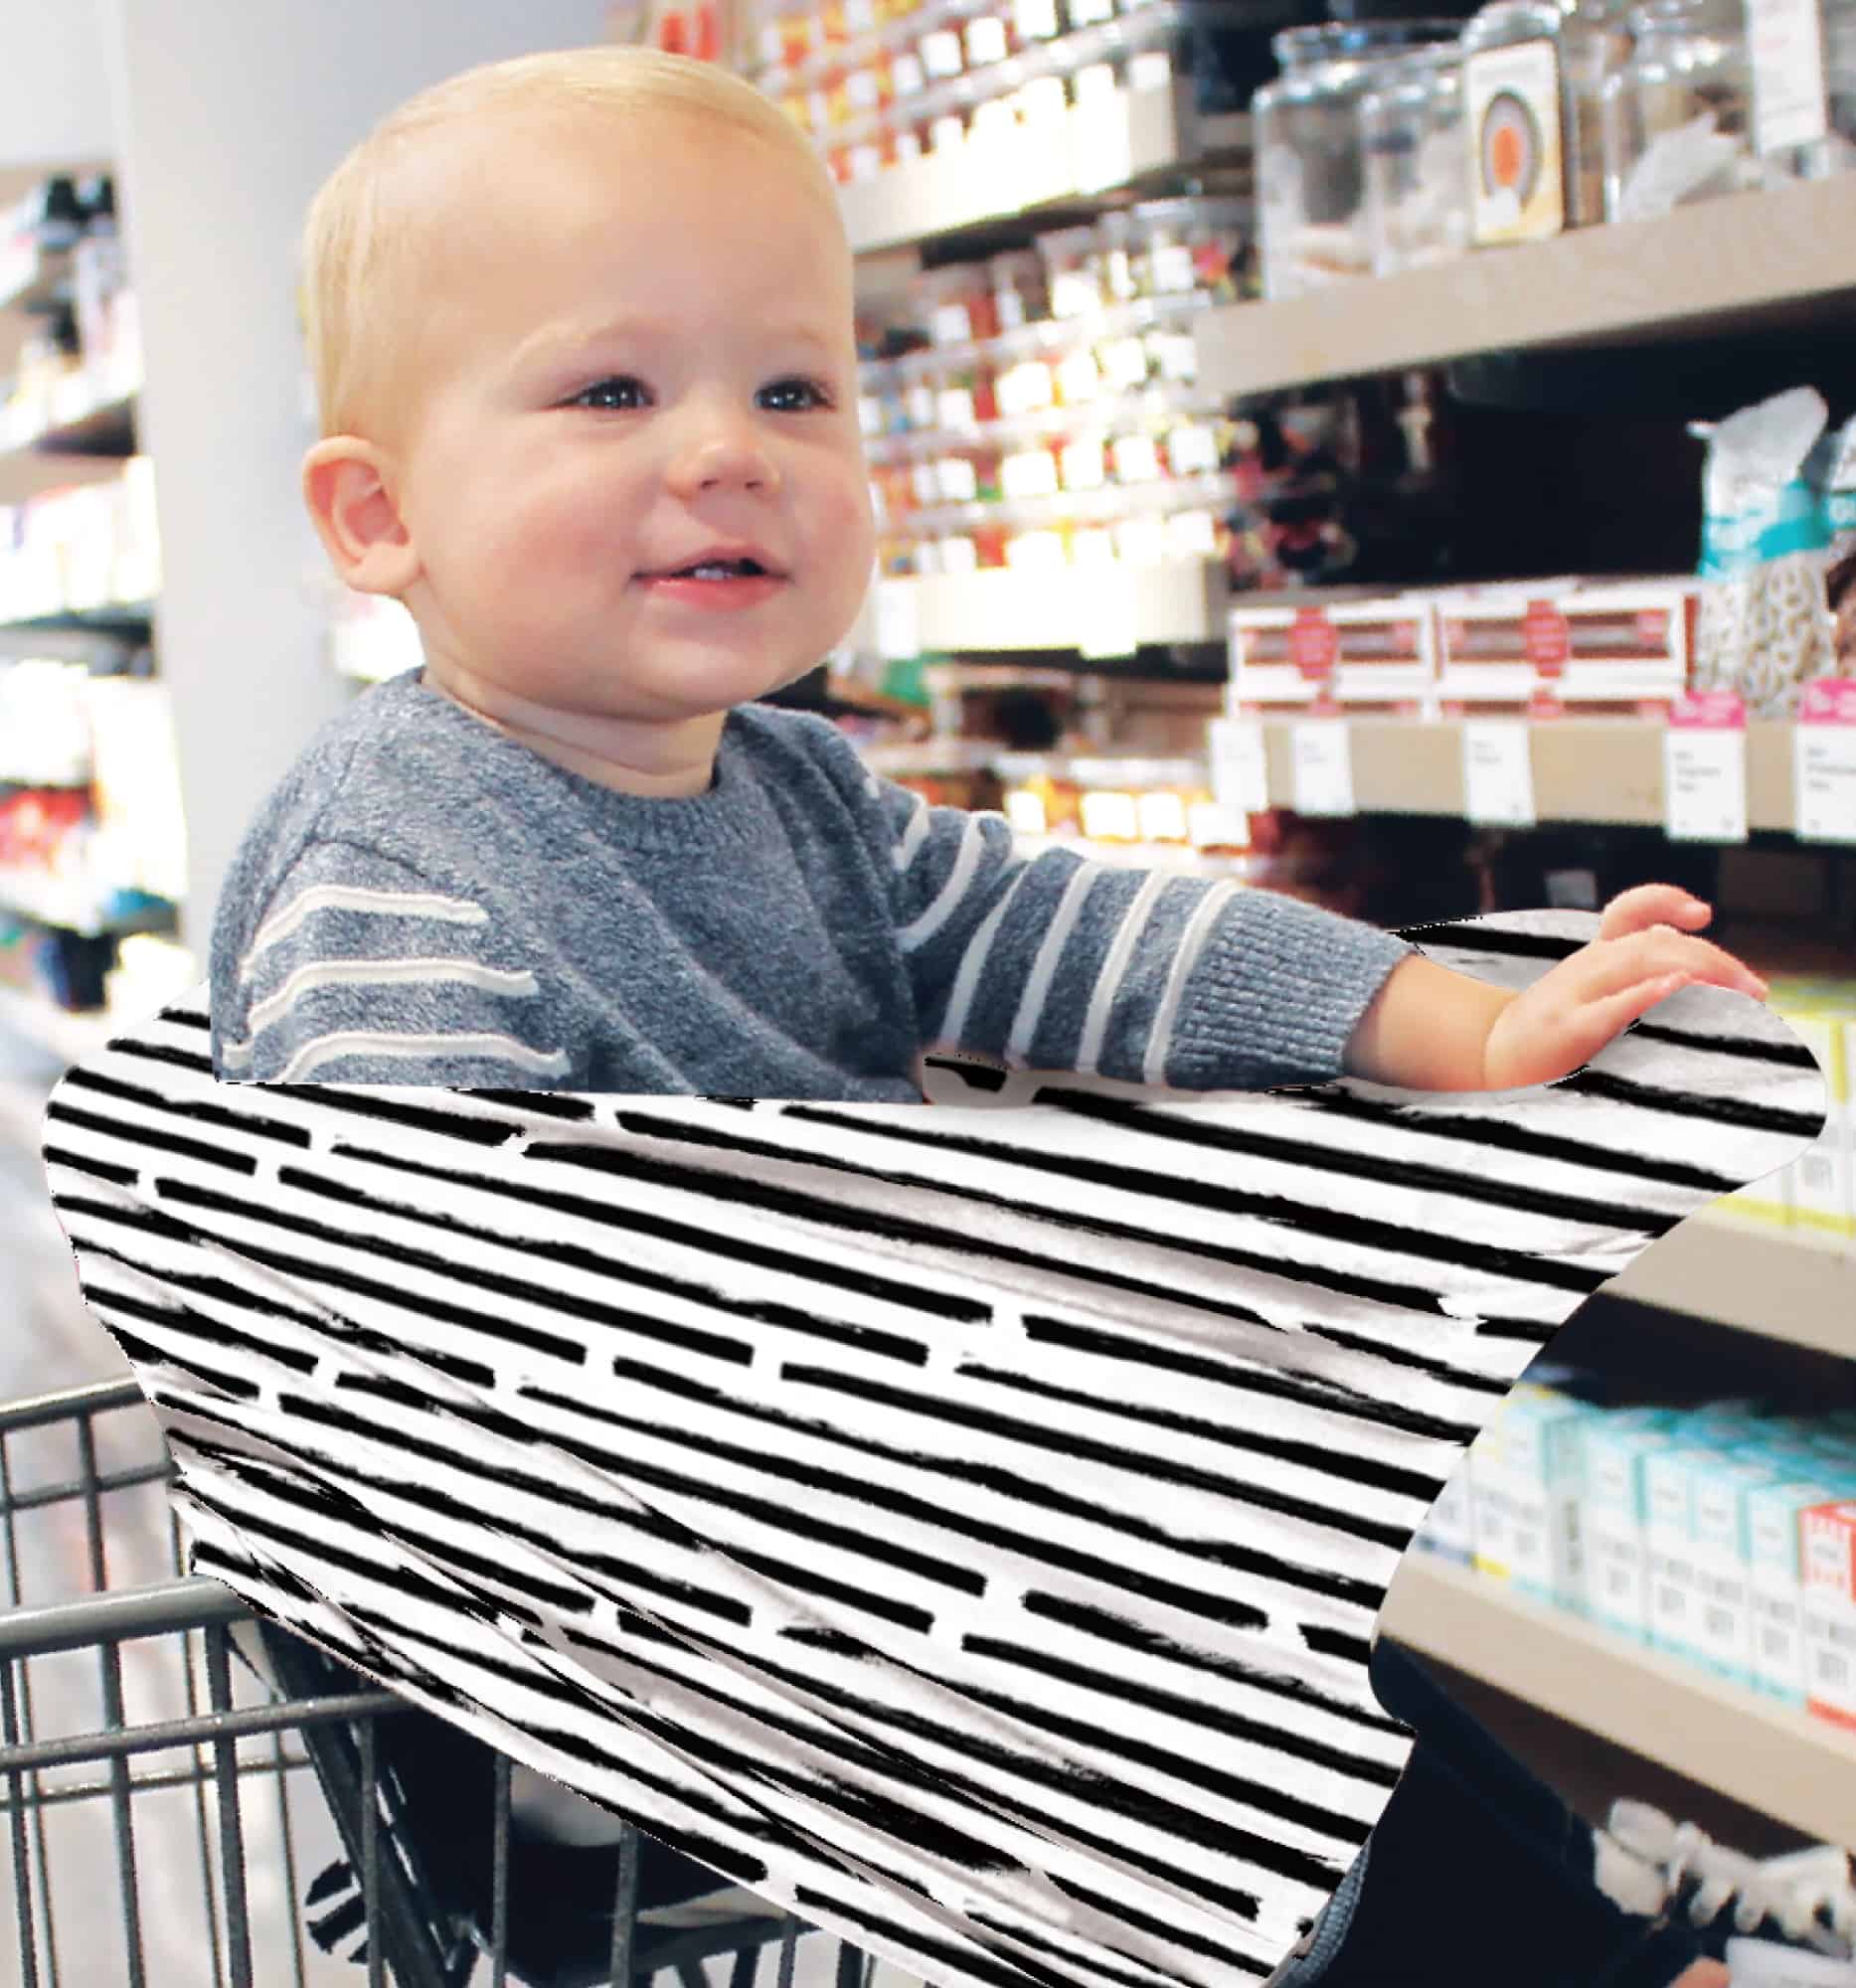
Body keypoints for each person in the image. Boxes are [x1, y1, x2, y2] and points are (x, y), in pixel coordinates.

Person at [209, 47, 1767, 1095]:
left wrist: (1472, 1025)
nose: (730, 451)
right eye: (613, 391)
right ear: (377, 517)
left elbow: (1091, 937)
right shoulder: (396, 879)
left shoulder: (802, 799)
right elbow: (415, 1319)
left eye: (793, 390)